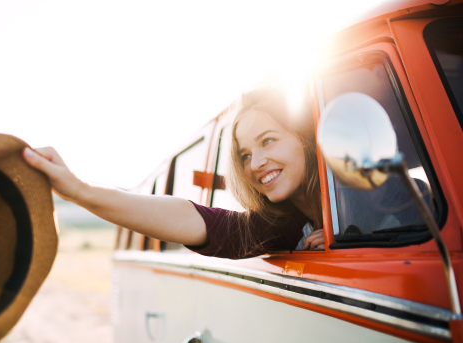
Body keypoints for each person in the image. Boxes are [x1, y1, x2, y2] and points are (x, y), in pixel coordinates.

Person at [22, 80, 325, 259]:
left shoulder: (366, 200)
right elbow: (194, 219)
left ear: (304, 137)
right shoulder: (276, 228)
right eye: (244, 155)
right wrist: (78, 190)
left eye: (268, 141)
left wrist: (356, 234)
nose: (255, 164)